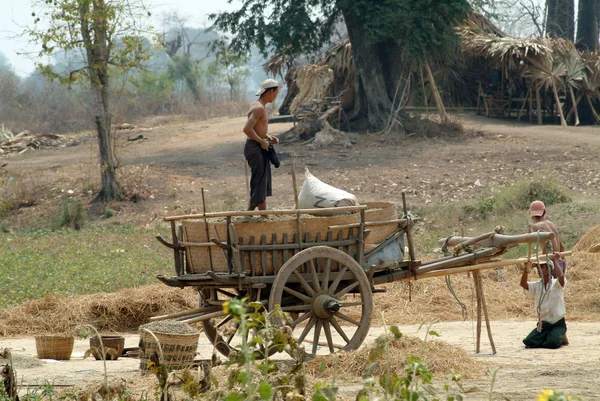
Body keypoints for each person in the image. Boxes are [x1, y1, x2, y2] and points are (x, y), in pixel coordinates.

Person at [520, 200, 568, 349]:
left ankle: (557, 332)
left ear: (530, 214)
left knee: (551, 294)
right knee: (555, 296)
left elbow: (546, 247)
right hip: (559, 262)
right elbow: (561, 247)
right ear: (544, 213)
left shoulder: (536, 226)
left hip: (551, 263)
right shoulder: (552, 225)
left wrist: (545, 261)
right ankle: (560, 333)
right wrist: (559, 260)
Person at [243, 79, 280, 212]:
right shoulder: (259, 108)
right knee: (259, 182)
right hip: (254, 148)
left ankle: (254, 214)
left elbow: (256, 128)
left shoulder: (259, 106)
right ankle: (257, 215)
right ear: (271, 92)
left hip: (258, 146)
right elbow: (247, 129)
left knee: (261, 182)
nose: (276, 95)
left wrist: (267, 137)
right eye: (276, 92)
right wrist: (261, 141)